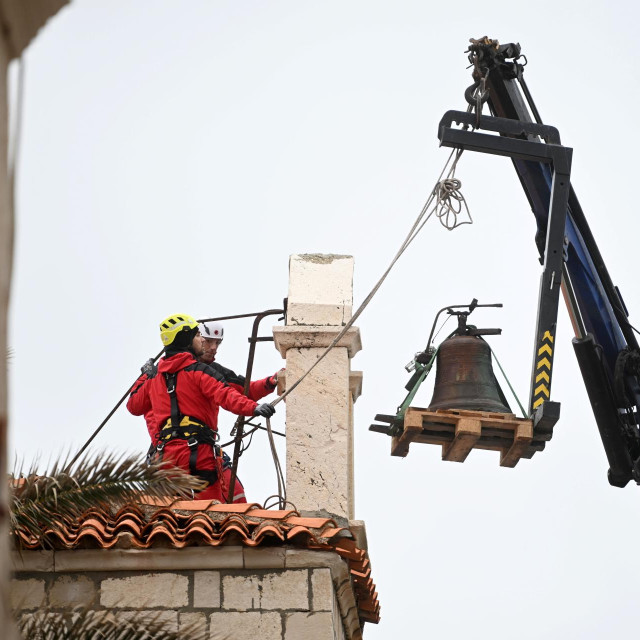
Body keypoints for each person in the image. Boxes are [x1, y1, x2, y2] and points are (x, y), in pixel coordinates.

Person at [127, 313, 276, 503]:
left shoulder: (155, 377)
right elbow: (227, 396)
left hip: (165, 457)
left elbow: (134, 406)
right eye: (198, 336)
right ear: (187, 340)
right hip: (198, 453)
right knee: (215, 511)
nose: (203, 342)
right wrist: (254, 409)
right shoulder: (199, 372)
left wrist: (145, 376)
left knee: (170, 516)